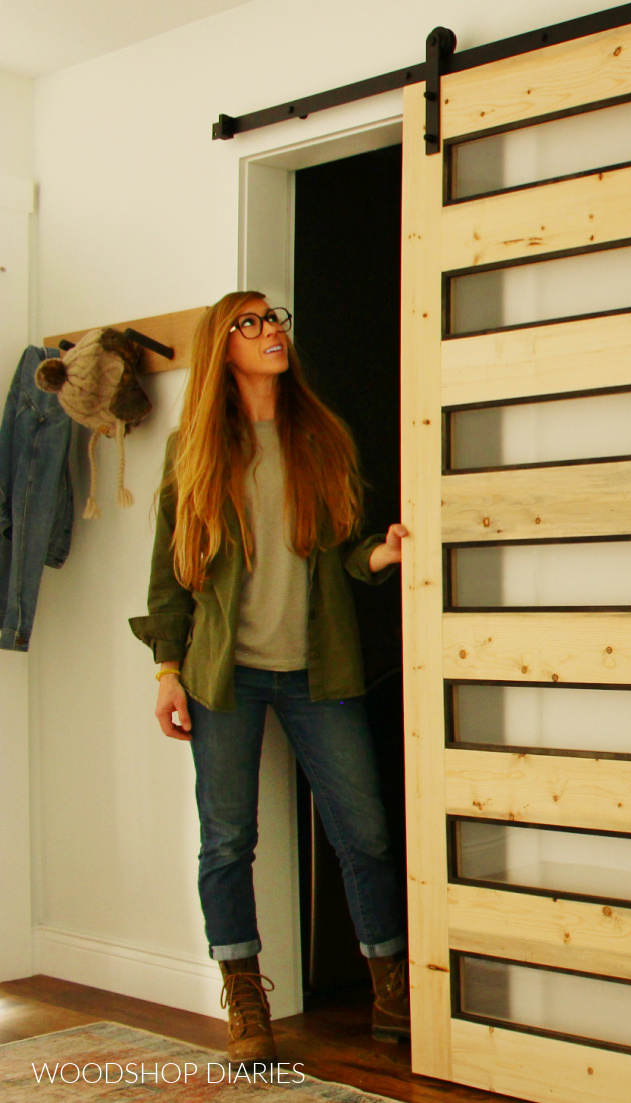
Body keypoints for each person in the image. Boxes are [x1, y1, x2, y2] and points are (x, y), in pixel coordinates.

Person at [129, 291, 409, 1064]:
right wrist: (167, 670)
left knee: (368, 834)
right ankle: (247, 1004)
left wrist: (379, 557)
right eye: (250, 323)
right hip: (226, 675)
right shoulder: (195, 449)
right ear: (224, 346)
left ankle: (391, 989)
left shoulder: (321, 435)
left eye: (274, 318)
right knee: (227, 841)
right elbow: (167, 577)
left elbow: (346, 548)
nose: (270, 331)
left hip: (321, 670)